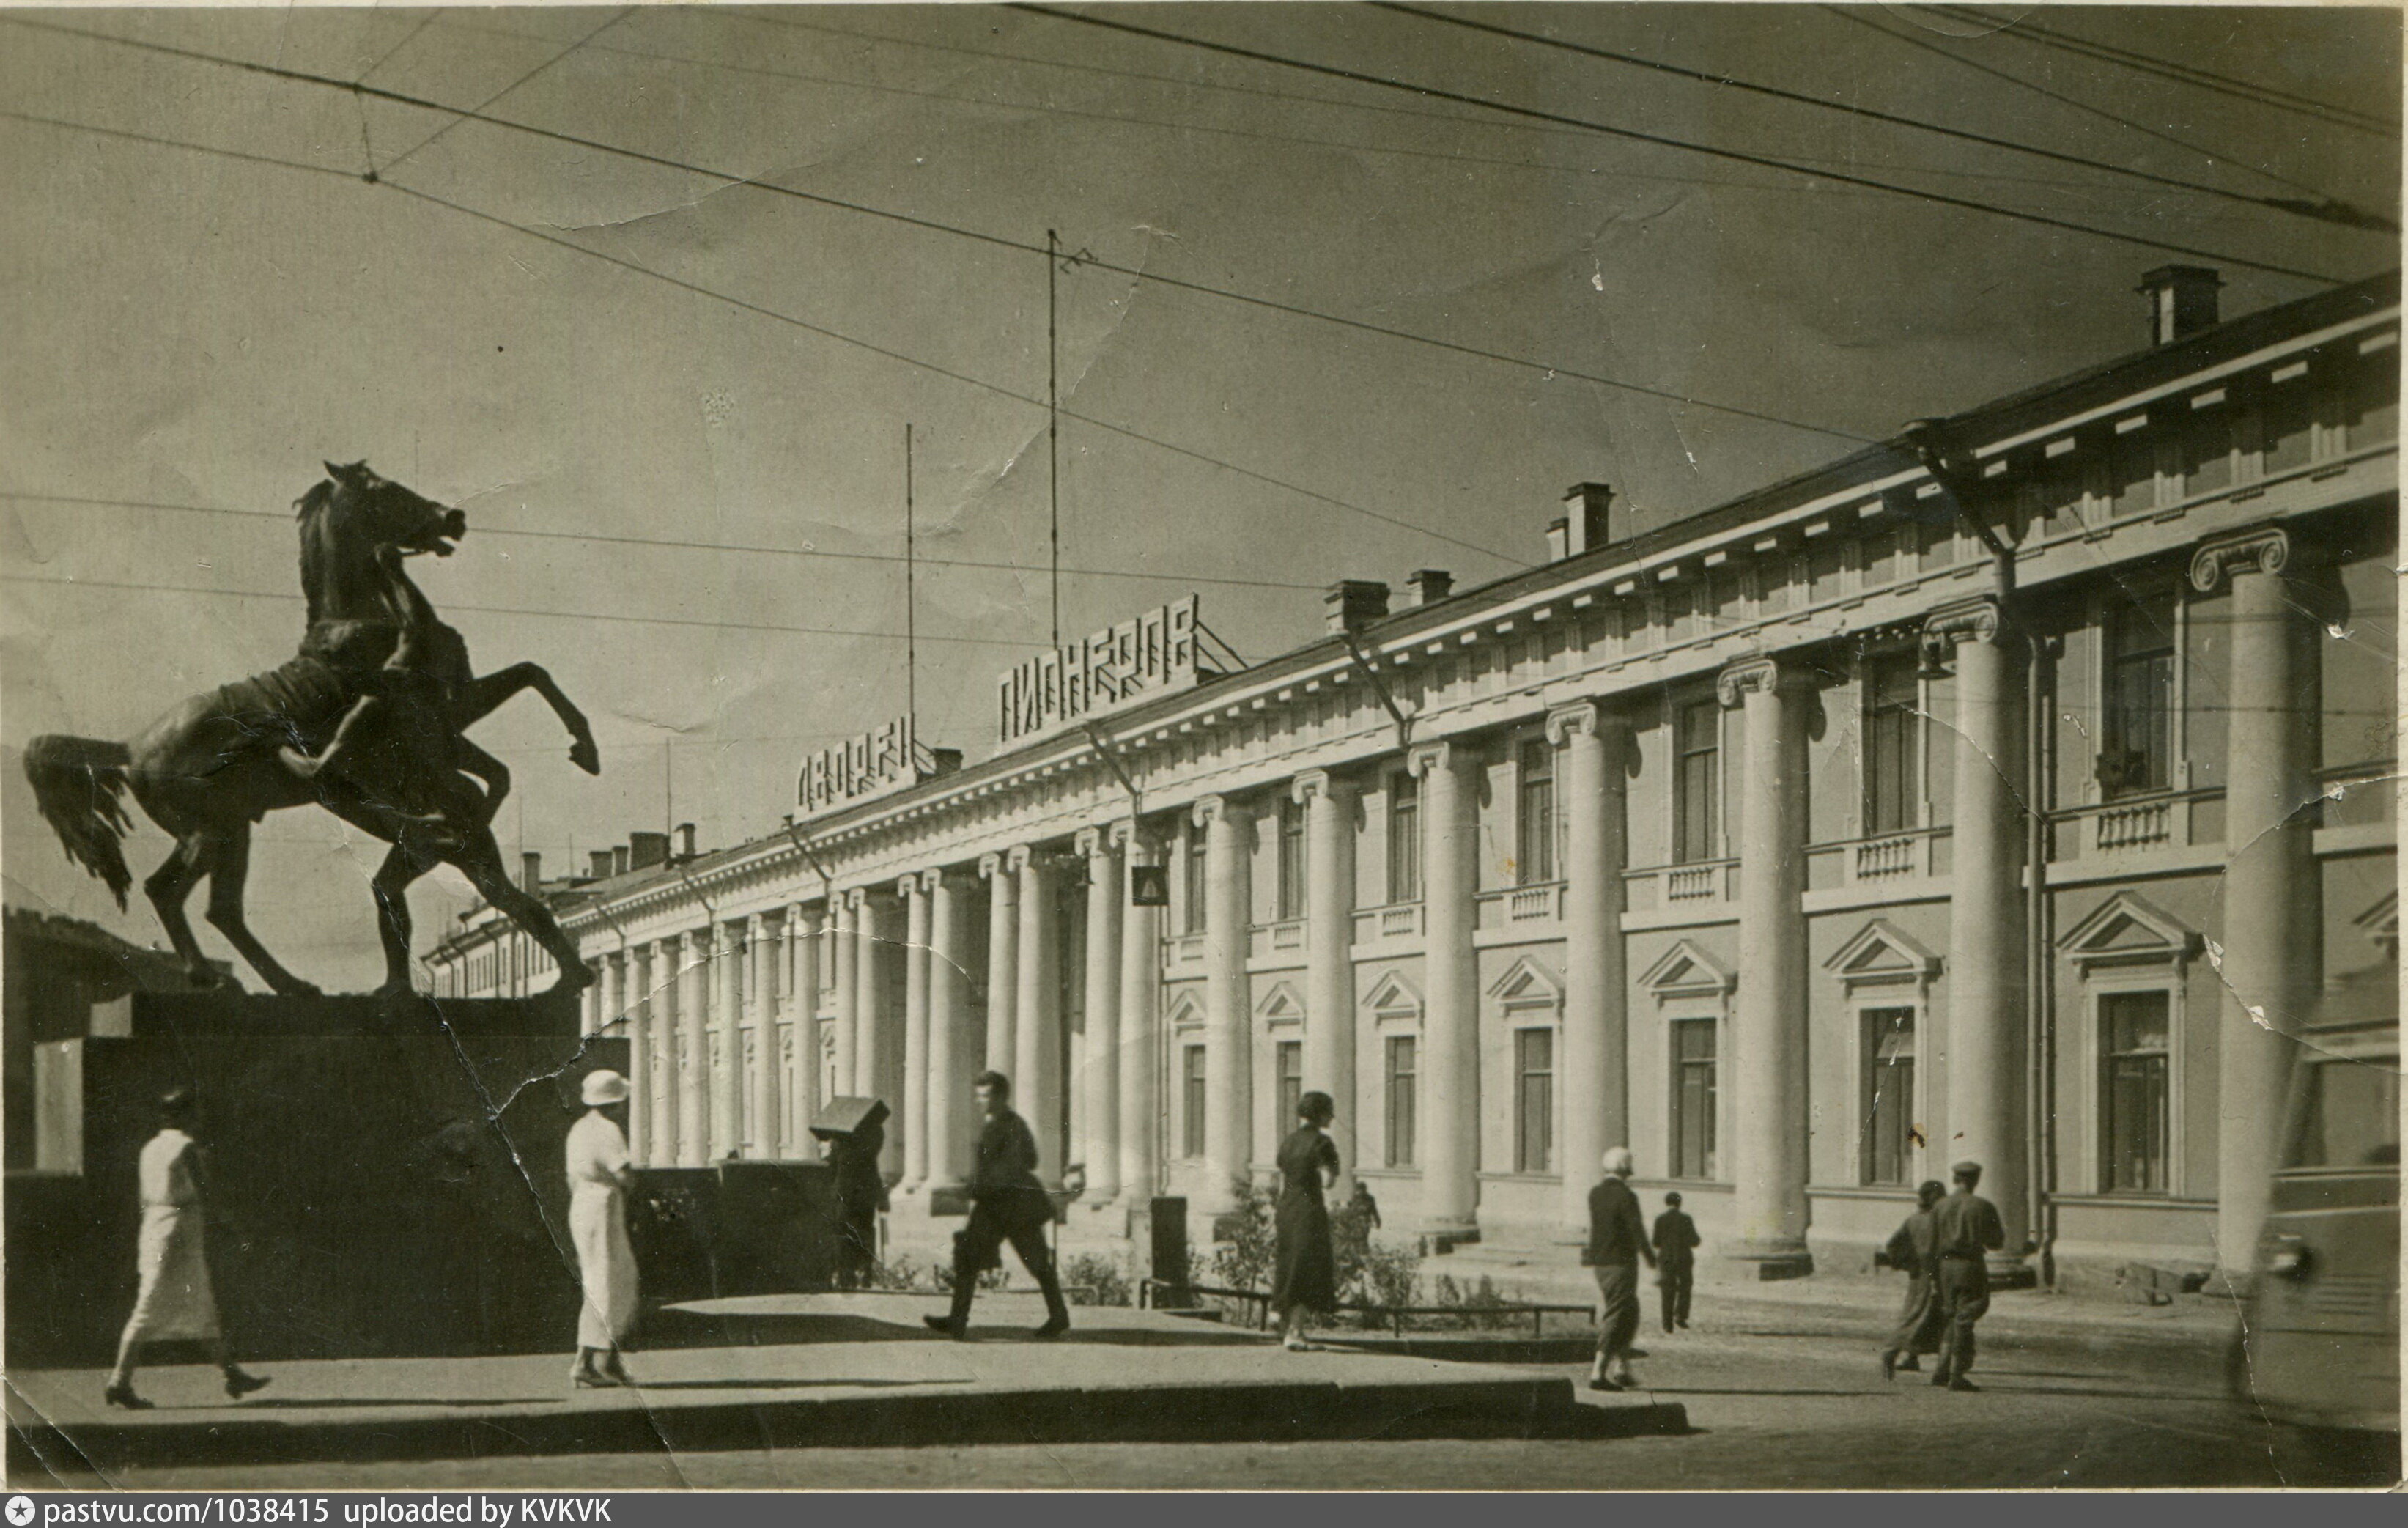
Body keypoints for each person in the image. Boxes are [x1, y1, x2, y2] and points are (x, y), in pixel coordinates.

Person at [104, 1087, 268, 1409]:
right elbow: (206, 1192)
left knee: (198, 1303)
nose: (199, 1118)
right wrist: (234, 1227)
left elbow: (142, 1198)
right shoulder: (187, 1147)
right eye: (194, 1112)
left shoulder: (150, 1147)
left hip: (154, 1228)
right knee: (149, 1306)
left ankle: (232, 1374)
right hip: (178, 1233)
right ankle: (118, 1382)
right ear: (184, 1115)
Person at [925, 1072, 1070, 1340]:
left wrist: (972, 1189)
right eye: (978, 1096)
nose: (980, 1102)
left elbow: (1018, 1165)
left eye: (986, 1096)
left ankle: (959, 1320)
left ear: (1002, 1096)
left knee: (1030, 1261)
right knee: (977, 1257)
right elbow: (1020, 1163)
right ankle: (958, 1320)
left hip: (1006, 1206)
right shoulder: (1005, 1124)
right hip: (1008, 1205)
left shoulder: (1006, 1126)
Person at [566, 1070, 639, 1388]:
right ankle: (595, 1361)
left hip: (582, 1203)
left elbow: (571, 1178)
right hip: (603, 1205)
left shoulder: (579, 1128)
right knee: (611, 1281)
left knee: (600, 1279)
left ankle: (594, 1359)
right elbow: (624, 1175)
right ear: (617, 1101)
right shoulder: (608, 1130)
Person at [1270, 1091, 1343, 1351]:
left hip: (1286, 1208)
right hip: (1309, 1209)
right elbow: (1328, 1181)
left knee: (1288, 1262)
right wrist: (1332, 1169)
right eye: (1329, 1111)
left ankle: (1279, 1316)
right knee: (1307, 1267)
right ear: (1320, 1114)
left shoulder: (1288, 1142)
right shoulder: (1323, 1143)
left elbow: (1282, 1176)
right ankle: (1296, 1333)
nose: (1333, 1117)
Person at [1582, 1146, 1655, 1391]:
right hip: (1620, 1263)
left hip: (1601, 1262)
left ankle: (1623, 1368)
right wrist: (1651, 1259)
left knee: (1629, 1310)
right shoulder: (1626, 1196)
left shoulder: (1595, 1194)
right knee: (1617, 1313)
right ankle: (1597, 1373)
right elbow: (1637, 1231)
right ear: (1626, 1168)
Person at [1930, 1159, 2006, 1392]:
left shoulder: (1940, 1206)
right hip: (1970, 1266)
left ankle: (1941, 1369)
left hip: (1944, 1267)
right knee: (1965, 1317)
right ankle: (1957, 1374)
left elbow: (1931, 1241)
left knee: (1950, 1316)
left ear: (1955, 1180)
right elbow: (1996, 1242)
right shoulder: (1982, 1206)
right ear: (1976, 1180)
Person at [1879, 1179, 1949, 1380]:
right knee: (1928, 1317)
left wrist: (1909, 1265)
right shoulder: (1938, 1222)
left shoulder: (1914, 1220)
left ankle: (1911, 1357)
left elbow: (1893, 1246)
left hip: (1918, 1277)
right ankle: (1891, 1351)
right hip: (1936, 1276)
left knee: (1917, 1315)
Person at [830, 1117, 890, 1291]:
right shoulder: (871, 1138)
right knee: (864, 1231)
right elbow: (875, 1170)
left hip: (844, 1194)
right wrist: (881, 1197)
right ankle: (865, 1273)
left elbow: (832, 1168)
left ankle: (846, 1275)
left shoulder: (839, 1139)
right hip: (865, 1194)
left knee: (843, 1232)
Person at [1651, 1190, 1701, 1334]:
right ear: (1679, 1203)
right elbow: (1695, 1240)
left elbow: (1655, 1242)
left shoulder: (1660, 1219)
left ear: (1666, 1203)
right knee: (1685, 1287)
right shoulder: (1686, 1218)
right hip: (1684, 1258)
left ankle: (1667, 1324)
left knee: (1667, 1291)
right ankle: (1681, 1316)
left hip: (1666, 1259)